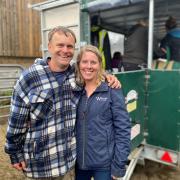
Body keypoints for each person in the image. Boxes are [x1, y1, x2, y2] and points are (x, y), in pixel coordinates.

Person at [4, 26, 120, 179]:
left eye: (70, 46)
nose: (65, 50)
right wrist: (14, 153)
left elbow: (91, 69)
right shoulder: (29, 79)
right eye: (60, 45)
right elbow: (16, 123)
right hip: (41, 164)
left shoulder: (76, 73)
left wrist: (108, 76)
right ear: (49, 47)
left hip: (69, 162)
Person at [75, 45, 131, 180]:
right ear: (78, 64)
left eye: (93, 62)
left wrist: (118, 165)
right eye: (84, 62)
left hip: (104, 166)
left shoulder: (112, 89)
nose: (88, 66)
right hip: (79, 163)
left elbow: (123, 128)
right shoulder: (75, 90)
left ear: (100, 65)